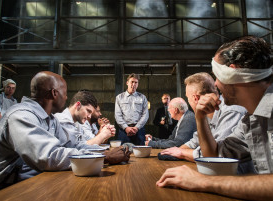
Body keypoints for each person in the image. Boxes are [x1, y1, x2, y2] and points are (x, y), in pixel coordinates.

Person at [0, 71, 129, 198]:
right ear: (54, 93)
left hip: (17, 184)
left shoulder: (50, 120)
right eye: (65, 93)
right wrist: (105, 157)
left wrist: (103, 152)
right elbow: (48, 156)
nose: (67, 98)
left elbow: (72, 145)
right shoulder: (21, 115)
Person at [156, 36, 273, 200]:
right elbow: (215, 155)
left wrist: (205, 182)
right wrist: (200, 118)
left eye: (218, 76)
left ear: (234, 72)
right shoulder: (251, 120)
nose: (216, 85)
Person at [160, 73, 247, 163]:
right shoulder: (207, 114)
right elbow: (196, 140)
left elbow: (219, 156)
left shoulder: (231, 110)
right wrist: (175, 151)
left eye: (187, 98)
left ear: (196, 98)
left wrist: (182, 153)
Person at [115, 73, 149, 145]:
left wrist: (136, 128)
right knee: (123, 153)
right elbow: (118, 115)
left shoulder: (142, 97)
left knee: (141, 154)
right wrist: (126, 128)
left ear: (138, 84)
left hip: (139, 130)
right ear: (127, 83)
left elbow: (145, 115)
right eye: (132, 82)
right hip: (124, 130)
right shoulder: (119, 97)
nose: (133, 84)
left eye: (136, 82)